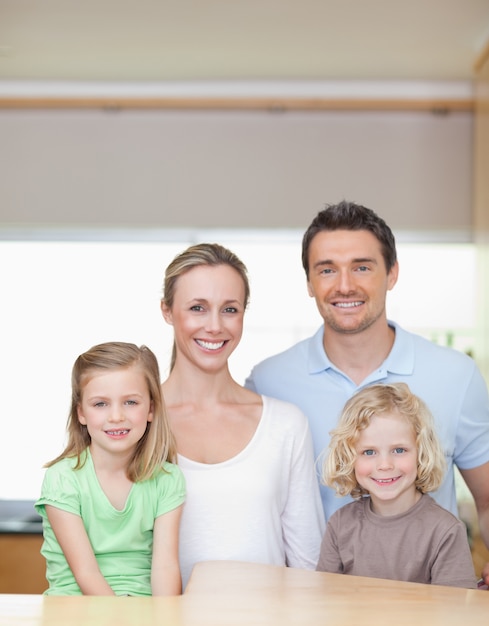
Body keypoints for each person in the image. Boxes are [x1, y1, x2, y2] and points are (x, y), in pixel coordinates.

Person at [245, 200, 489, 585]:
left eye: (362, 267)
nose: (344, 285)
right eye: (327, 270)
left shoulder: (456, 374)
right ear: (309, 282)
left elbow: (487, 499)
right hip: (314, 604)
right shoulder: (269, 381)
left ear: (391, 273)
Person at [160, 243, 325, 590]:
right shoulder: (133, 424)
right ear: (167, 311)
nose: (215, 326)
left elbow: (308, 565)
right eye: (197, 308)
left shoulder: (285, 425)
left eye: (230, 309)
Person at [35, 342, 186, 596]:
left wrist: (164, 619)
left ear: (150, 409)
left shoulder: (168, 480)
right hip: (77, 609)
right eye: (100, 404)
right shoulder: (62, 479)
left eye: (130, 402)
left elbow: (166, 567)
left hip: (144, 613)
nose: (116, 416)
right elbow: (86, 574)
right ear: (81, 413)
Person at [316, 382, 477, 588]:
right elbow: (324, 602)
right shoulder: (340, 525)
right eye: (369, 452)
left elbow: (456, 615)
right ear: (349, 458)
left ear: (421, 453)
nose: (385, 465)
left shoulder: (445, 531)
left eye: (399, 450)